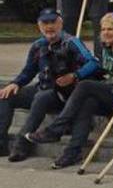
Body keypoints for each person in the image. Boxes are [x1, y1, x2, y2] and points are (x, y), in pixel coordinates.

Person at [27, 12, 113, 169]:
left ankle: (56, 129)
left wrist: (96, 82)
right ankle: (73, 152)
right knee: (87, 103)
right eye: (103, 29)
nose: (105, 33)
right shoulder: (108, 48)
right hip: (112, 93)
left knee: (86, 85)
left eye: (110, 29)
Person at [0, 9, 100, 161]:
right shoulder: (37, 46)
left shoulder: (72, 42)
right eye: (45, 23)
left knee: (42, 96)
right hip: (43, 87)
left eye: (53, 22)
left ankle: (22, 144)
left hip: (64, 94)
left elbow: (94, 63)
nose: (49, 26)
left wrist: (74, 75)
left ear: (60, 23)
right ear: (39, 26)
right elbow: (28, 71)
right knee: (5, 95)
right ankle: (2, 144)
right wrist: (15, 83)